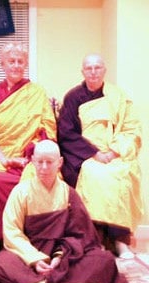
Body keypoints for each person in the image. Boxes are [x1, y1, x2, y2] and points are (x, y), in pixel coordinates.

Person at [0, 140, 131, 283]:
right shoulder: (21, 192)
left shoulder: (68, 193)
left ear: (59, 163)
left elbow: (80, 235)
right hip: (27, 255)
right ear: (33, 161)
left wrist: (58, 257)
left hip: (63, 258)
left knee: (104, 260)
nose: (44, 167)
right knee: (0, 264)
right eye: (40, 162)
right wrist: (35, 259)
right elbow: (12, 232)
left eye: (49, 162)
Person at [57, 53, 143, 259]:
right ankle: (97, 240)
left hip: (114, 152)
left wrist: (114, 152)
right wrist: (95, 153)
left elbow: (131, 130)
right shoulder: (72, 97)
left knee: (124, 174)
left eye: (97, 68)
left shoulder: (118, 96)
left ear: (104, 70)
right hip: (85, 156)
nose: (93, 72)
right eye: (89, 68)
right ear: (83, 71)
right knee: (96, 176)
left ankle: (120, 241)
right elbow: (67, 134)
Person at [0, 41, 56, 251]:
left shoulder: (37, 93)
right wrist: (3, 158)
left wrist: (30, 155)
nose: (16, 65)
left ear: (26, 64)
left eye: (20, 61)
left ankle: (31, 238)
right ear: (3, 64)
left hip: (27, 154)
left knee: (37, 179)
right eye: (11, 61)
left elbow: (47, 130)